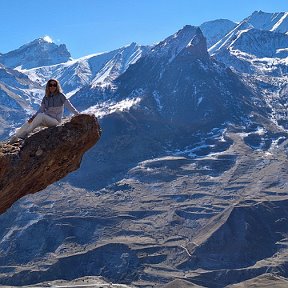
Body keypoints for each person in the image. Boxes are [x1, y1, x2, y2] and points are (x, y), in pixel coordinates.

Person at [9, 79, 79, 143]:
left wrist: (78, 115)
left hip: (55, 121)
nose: (52, 87)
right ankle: (16, 137)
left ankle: (25, 134)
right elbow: (41, 109)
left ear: (57, 86)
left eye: (54, 85)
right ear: (48, 86)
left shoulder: (61, 96)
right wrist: (33, 118)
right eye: (50, 85)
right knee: (30, 121)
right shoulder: (46, 97)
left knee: (40, 116)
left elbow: (69, 106)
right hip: (46, 119)